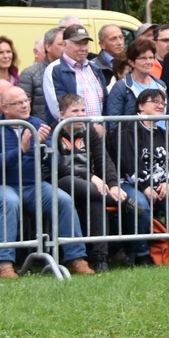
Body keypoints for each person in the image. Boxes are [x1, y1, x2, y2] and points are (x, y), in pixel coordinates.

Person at [0, 86, 94, 277]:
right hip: (1, 185)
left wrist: (42, 147)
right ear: (5, 108)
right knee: (10, 202)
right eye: (19, 103)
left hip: (34, 185)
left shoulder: (38, 123)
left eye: (26, 100)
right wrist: (21, 150)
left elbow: (54, 161)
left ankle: (77, 259)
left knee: (64, 201)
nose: (25, 105)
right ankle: (5, 264)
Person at [110, 87, 169, 261]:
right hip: (129, 183)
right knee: (140, 204)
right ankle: (140, 252)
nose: (160, 106)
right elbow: (128, 163)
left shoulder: (163, 133)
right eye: (155, 102)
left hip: (160, 184)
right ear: (141, 107)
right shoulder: (126, 128)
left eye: (163, 103)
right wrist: (144, 187)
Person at [52, 92, 130, 274]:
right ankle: (124, 202)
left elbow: (104, 160)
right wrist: (90, 177)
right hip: (62, 182)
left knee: (97, 201)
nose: (81, 115)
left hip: (91, 188)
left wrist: (113, 184)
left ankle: (100, 258)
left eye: (83, 110)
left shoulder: (90, 132)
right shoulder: (54, 132)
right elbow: (57, 168)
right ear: (62, 114)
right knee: (88, 188)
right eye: (75, 111)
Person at [44, 25, 109, 125]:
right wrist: (88, 130)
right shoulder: (54, 70)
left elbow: (105, 103)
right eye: (78, 44)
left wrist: (105, 128)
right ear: (65, 44)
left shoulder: (95, 68)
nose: (83, 48)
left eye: (85, 44)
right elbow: (58, 109)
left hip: (99, 135)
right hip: (71, 135)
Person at [106, 37, 169, 116]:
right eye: (143, 58)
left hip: (161, 128)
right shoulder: (121, 87)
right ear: (131, 62)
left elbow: (167, 114)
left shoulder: (161, 85)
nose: (149, 62)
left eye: (151, 58)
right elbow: (114, 121)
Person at [20, 26, 62, 119]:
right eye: (61, 44)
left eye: (67, 44)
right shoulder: (30, 74)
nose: (65, 48)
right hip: (41, 130)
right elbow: (21, 108)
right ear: (48, 47)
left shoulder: (74, 70)